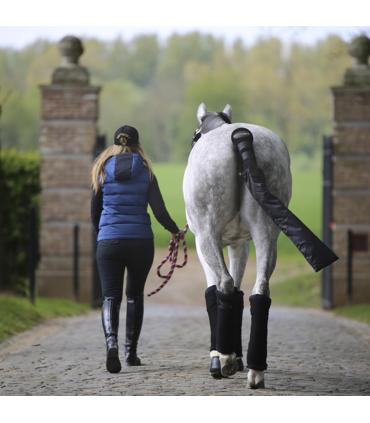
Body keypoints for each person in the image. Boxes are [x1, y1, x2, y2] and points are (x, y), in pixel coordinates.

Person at [90, 125, 179, 373]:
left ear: (115, 144)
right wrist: (174, 230)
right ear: (138, 145)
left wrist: (105, 236)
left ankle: (111, 344)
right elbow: (159, 211)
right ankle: (130, 353)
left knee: (110, 296)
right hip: (140, 241)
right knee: (134, 295)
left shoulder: (101, 170)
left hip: (109, 242)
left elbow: (94, 213)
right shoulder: (146, 171)